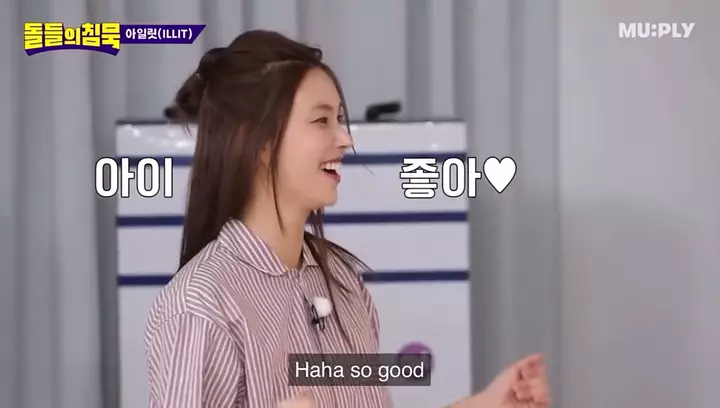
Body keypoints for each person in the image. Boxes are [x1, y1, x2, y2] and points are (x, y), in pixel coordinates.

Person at [144, 29, 551, 408]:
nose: (345, 138)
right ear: (259, 142)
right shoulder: (199, 306)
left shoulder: (341, 280)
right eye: (321, 120)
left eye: (339, 119)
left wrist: (485, 404)